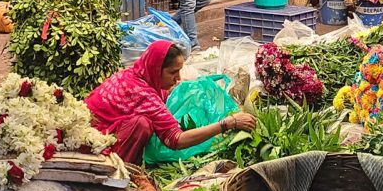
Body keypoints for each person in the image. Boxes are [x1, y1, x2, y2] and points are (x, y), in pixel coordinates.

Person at [86, 40, 256, 166]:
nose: (178, 78)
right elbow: (176, 140)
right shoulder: (143, 93)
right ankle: (122, 170)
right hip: (92, 149)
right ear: (155, 68)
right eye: (173, 72)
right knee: (142, 124)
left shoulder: (132, 74)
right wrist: (227, 123)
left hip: (93, 133)